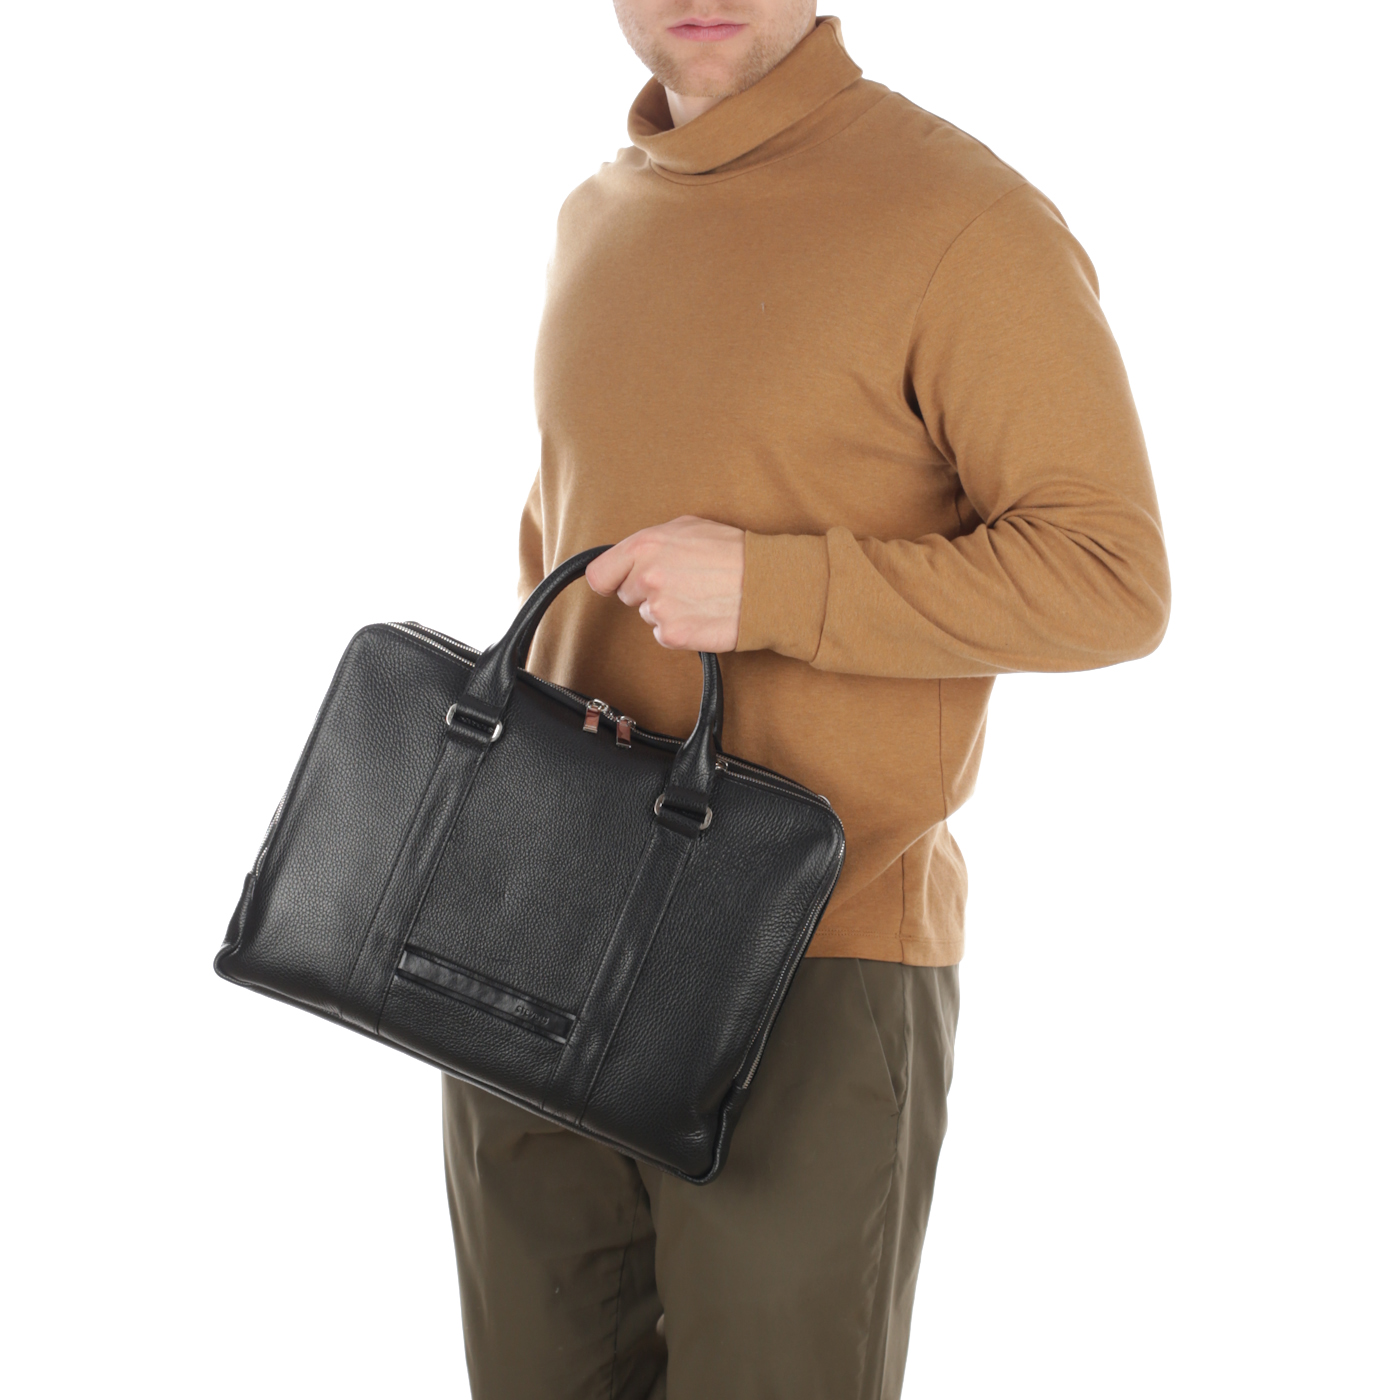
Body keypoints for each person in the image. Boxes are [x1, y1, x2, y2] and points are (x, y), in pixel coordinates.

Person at [442, 4, 1170, 1396]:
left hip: (812, 955)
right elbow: (555, 556)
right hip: (533, 936)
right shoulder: (594, 216)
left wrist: (776, 588)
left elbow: (1112, 579)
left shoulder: (963, 220)